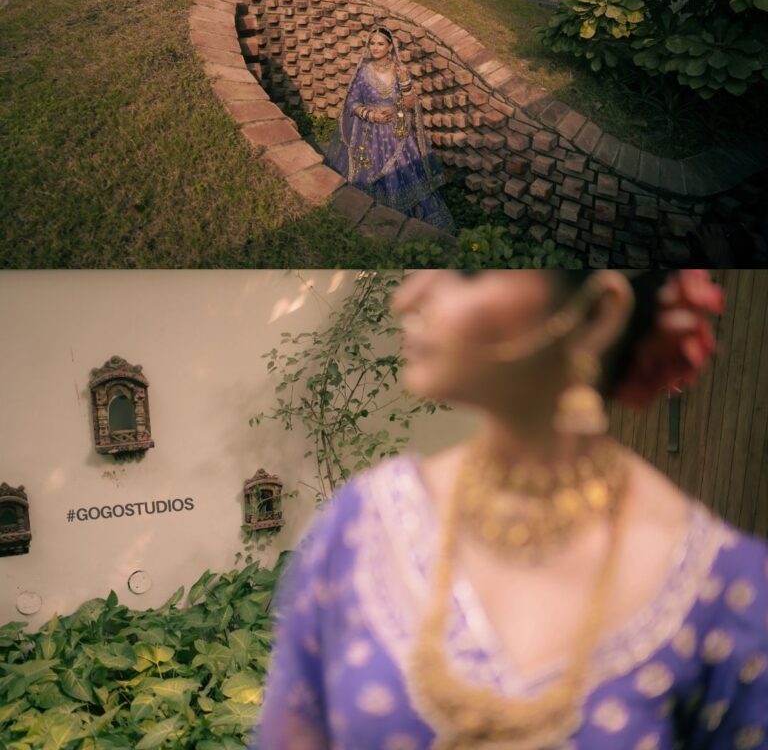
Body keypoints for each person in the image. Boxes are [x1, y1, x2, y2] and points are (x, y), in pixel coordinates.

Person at [253, 270, 768, 750]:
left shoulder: (726, 585)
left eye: (470, 274)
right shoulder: (359, 526)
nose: (407, 296)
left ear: (596, 315)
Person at [324, 25, 455, 234]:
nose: (375, 48)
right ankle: (366, 220)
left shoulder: (399, 71)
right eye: (372, 43)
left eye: (380, 44)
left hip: (397, 132)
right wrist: (370, 114)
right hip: (367, 133)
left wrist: (404, 83)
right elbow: (352, 102)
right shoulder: (363, 72)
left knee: (404, 172)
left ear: (390, 47)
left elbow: (411, 105)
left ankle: (404, 226)